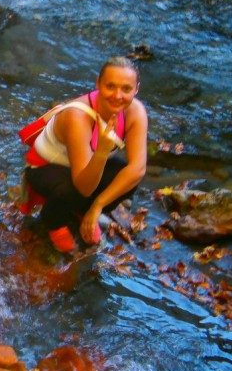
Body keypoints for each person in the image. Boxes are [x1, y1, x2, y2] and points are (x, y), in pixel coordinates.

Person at [23, 57, 148, 253]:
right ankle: (53, 221)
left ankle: (83, 211)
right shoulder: (78, 116)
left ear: (136, 89)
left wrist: (97, 207)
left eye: (126, 89)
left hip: (85, 169)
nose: (118, 95)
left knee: (126, 177)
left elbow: (138, 169)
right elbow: (83, 187)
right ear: (98, 83)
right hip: (46, 168)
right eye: (110, 86)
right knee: (72, 190)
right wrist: (102, 151)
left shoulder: (135, 111)